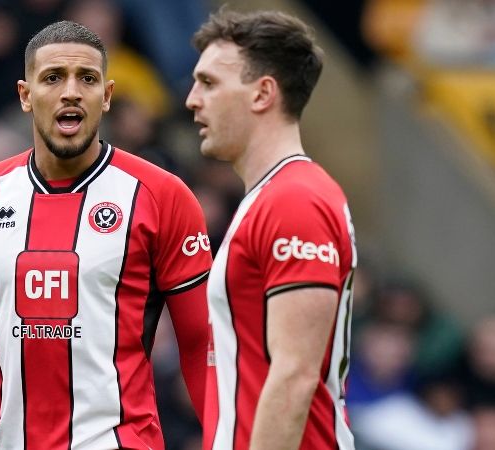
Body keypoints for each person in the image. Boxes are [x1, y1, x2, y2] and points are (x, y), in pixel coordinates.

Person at [0, 20, 212, 449]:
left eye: (88, 78)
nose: (71, 91)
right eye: (53, 78)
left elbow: (200, 341)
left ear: (107, 96)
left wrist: (225, 435)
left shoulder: (161, 196)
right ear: (25, 96)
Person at [186, 10, 358, 450]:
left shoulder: (293, 201)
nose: (191, 99)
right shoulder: (273, 197)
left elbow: (295, 376)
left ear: (263, 93)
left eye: (208, 83)